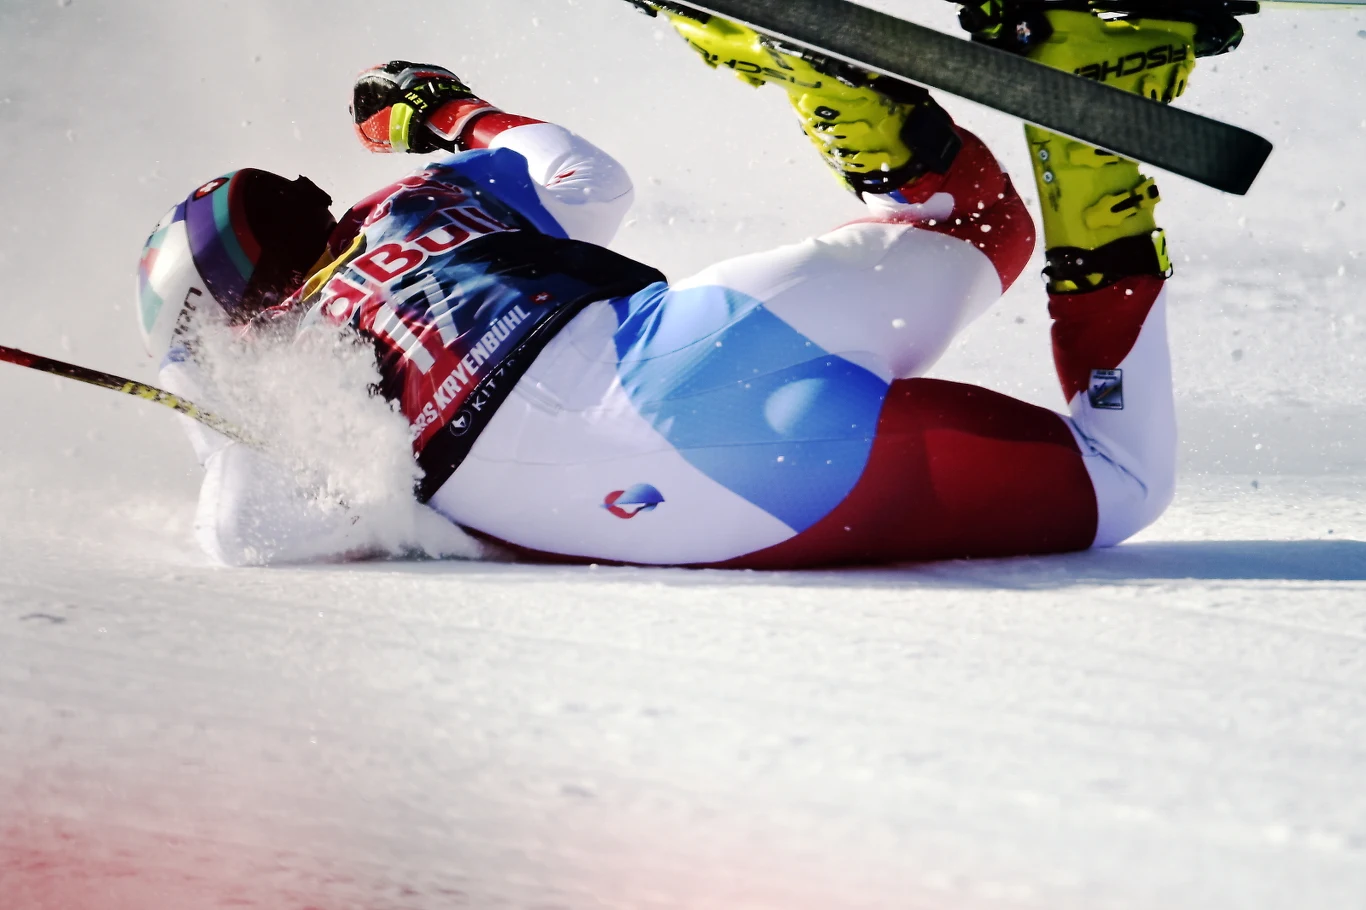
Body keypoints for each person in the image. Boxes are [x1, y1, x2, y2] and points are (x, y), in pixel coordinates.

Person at [135, 4, 1239, 568]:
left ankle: (1100, 163)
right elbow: (589, 180)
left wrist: (205, 385)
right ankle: (888, 99)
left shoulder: (297, 378)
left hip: (721, 498)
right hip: (696, 333)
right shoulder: (412, 202)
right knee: (973, 226)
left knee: (1124, 483)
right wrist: (455, 114)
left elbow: (246, 536)